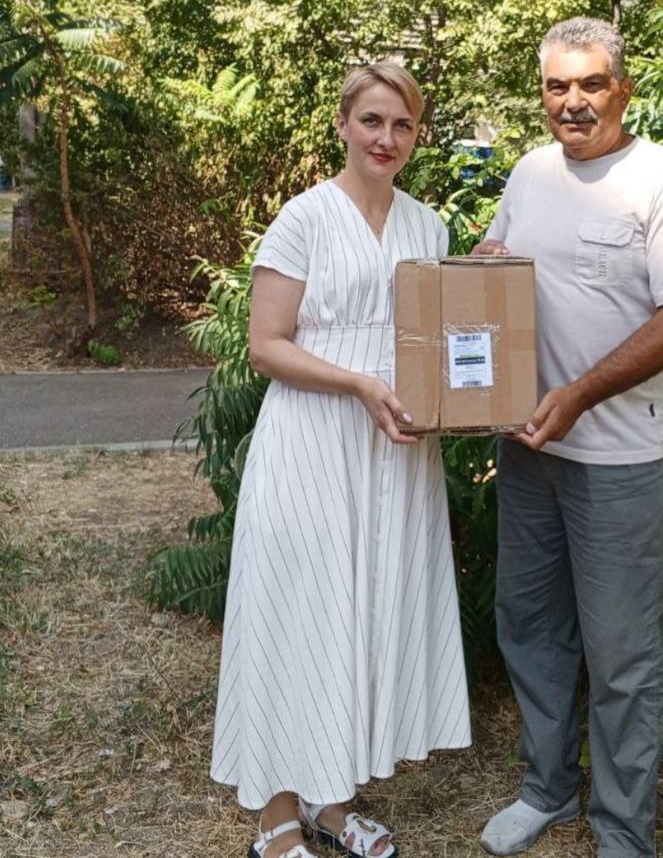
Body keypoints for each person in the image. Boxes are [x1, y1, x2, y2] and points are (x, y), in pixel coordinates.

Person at [474, 17, 663, 858]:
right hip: (527, 448)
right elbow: (500, 269)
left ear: (623, 88)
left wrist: (578, 395)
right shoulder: (530, 172)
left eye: (589, 84)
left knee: (621, 656)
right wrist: (483, 265)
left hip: (617, 457)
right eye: (556, 86)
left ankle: (621, 831)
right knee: (529, 626)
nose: (571, 102)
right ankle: (545, 791)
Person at [211, 63, 471, 858]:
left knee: (364, 613)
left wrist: (485, 279)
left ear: (417, 135)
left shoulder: (428, 227)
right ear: (342, 125)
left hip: (395, 449)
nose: (386, 139)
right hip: (314, 441)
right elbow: (265, 346)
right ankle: (275, 816)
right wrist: (358, 383)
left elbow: (444, 338)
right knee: (300, 611)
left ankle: (330, 798)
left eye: (402, 125)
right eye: (372, 120)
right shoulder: (303, 218)